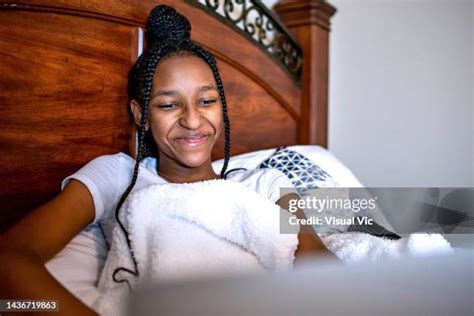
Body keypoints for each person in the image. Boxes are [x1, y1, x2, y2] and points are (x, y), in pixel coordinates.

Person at [0, 5, 335, 315]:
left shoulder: (266, 183)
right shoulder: (116, 176)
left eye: (206, 101)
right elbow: (10, 259)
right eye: (168, 105)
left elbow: (318, 264)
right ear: (141, 114)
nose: (192, 120)